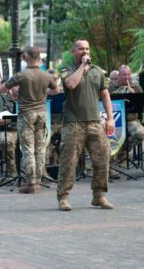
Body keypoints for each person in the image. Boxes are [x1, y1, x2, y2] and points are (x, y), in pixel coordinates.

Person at [57, 39, 115, 211]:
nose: (85, 51)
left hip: (95, 122)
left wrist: (110, 118)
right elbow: (71, 84)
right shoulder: (67, 70)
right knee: (69, 162)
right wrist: (82, 67)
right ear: (74, 51)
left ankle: (99, 196)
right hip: (73, 124)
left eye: (87, 49)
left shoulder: (98, 71)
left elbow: (105, 95)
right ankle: (63, 197)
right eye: (81, 49)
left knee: (103, 158)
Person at [0, 46, 57, 194]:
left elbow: (1, 89)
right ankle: (38, 181)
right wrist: (43, 93)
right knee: (40, 149)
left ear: (25, 57)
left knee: (28, 149)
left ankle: (31, 184)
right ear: (40, 58)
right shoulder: (46, 75)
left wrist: (14, 91)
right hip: (42, 114)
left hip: (26, 114)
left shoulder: (21, 75)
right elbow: (56, 90)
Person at [108, 65, 144, 177]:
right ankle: (111, 165)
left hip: (131, 120)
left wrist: (133, 94)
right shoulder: (111, 89)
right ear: (119, 76)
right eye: (124, 75)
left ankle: (123, 154)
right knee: (111, 137)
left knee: (139, 133)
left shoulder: (137, 88)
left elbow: (140, 107)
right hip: (115, 121)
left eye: (128, 74)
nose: (127, 77)